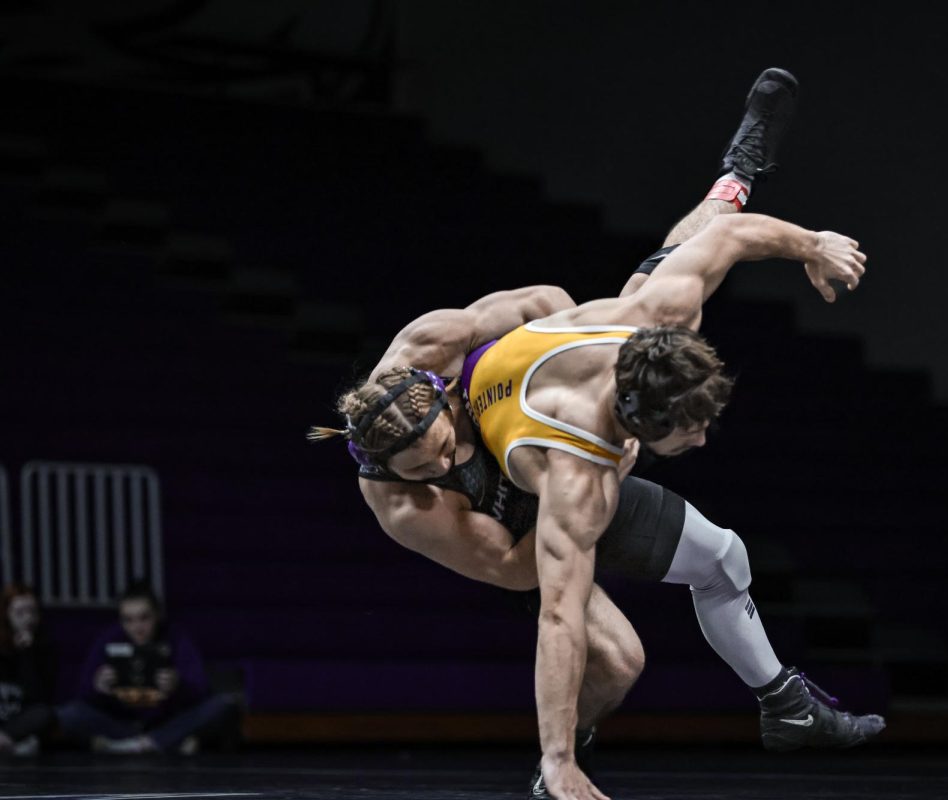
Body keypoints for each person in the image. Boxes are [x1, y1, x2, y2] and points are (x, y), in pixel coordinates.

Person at [311, 68, 882, 800]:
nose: (449, 458)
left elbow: (688, 253)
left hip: (546, 369)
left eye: (447, 443)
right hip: (514, 509)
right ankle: (558, 758)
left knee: (680, 253)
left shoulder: (637, 317)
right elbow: (533, 584)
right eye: (434, 467)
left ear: (435, 393)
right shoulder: (422, 499)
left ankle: (740, 168)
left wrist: (813, 245)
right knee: (618, 663)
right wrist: (559, 761)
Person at [55, 581, 238, 754]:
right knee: (68, 714)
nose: (137, 627)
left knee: (224, 704)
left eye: (144, 618)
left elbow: (201, 690)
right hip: (122, 725)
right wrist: (98, 687)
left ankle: (146, 743)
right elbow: (83, 694)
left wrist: (178, 685)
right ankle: (162, 743)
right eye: (128, 620)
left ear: (157, 614)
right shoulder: (109, 639)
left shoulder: (176, 638)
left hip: (166, 723)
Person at [0, 584, 57, 757]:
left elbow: (40, 698)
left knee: (45, 715)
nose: (27, 619)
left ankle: (6, 743)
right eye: (20, 613)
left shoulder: (44, 648)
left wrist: (27, 654)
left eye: (32, 612)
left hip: (17, 721)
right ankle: (12, 748)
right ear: (6, 614)